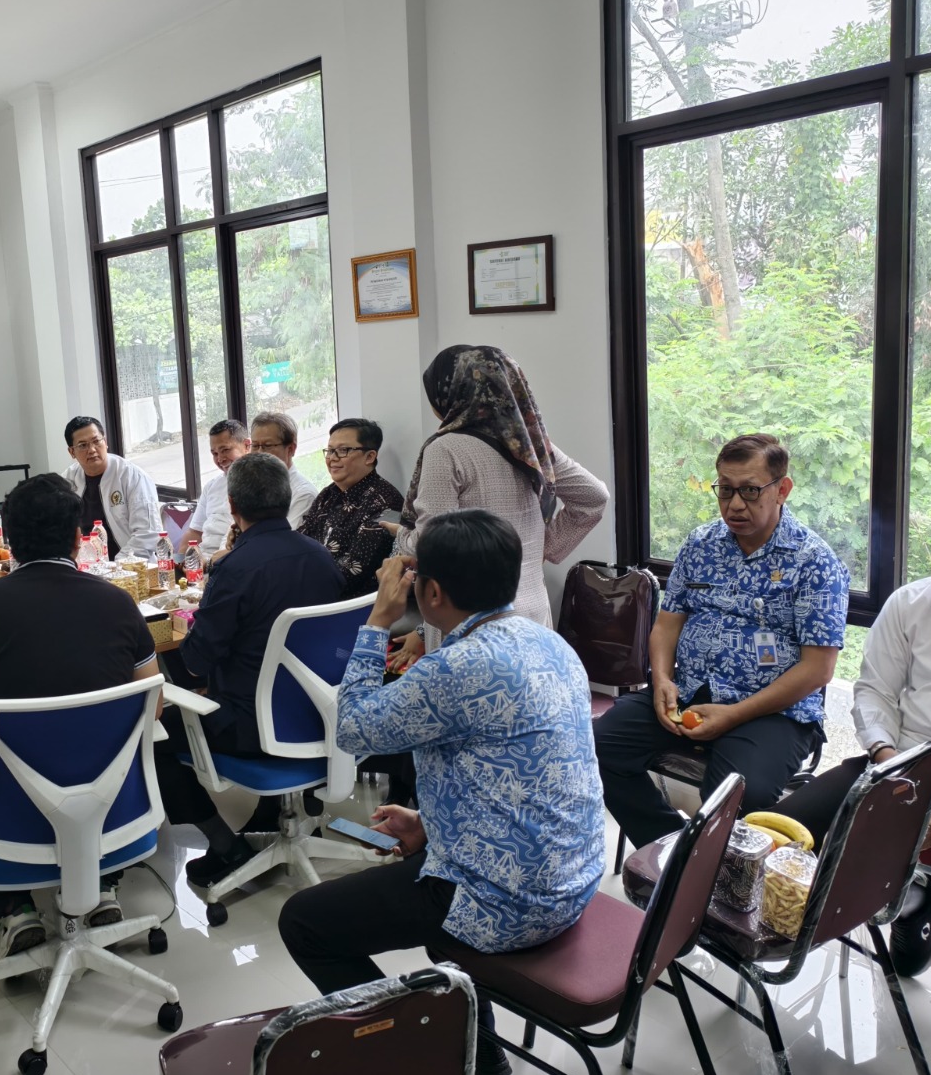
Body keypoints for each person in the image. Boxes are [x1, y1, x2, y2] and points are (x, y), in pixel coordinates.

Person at [277, 510, 605, 1075]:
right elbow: (520, 777)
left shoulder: (455, 667)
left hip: (507, 903)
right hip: (573, 877)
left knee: (305, 923)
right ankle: (481, 1052)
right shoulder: (547, 642)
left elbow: (351, 729)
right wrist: (432, 824)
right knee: (417, 898)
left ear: (430, 592)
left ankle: (429, 1046)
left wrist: (378, 620)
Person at [0, 474, 161, 956]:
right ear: (78, 538)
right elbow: (152, 707)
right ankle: (103, 888)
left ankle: (15, 910)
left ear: (8, 541)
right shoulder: (118, 602)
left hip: (12, 819)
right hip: (114, 806)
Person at [594, 433, 849, 850]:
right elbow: (667, 625)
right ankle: (671, 853)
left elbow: (818, 669)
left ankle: (706, 871)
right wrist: (662, 681)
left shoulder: (814, 562)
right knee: (595, 748)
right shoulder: (701, 544)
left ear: (782, 489)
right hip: (690, 691)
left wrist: (734, 715)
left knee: (738, 794)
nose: (735, 505)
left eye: (750, 490)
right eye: (725, 490)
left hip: (772, 711)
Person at [769, 487, 931, 977]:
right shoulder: (912, 603)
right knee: (772, 835)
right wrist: (890, 760)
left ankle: (920, 893)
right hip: (902, 759)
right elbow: (874, 692)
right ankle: (910, 897)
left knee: (906, 964)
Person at [153, 453, 345, 888]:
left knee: (153, 734)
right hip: (322, 717)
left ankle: (225, 846)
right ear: (286, 499)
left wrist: (201, 608)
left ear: (233, 506)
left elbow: (196, 662)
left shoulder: (235, 568)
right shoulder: (322, 558)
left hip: (253, 727)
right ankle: (271, 812)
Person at [385, 345, 609, 663]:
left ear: (450, 394)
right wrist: (543, 547)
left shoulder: (447, 449)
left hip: (469, 618)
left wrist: (402, 536)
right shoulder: (529, 445)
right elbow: (594, 497)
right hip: (531, 611)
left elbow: (431, 544)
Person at [296, 417, 405, 598]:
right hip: (309, 590)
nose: (332, 458)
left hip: (348, 604)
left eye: (343, 450)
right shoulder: (327, 494)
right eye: (330, 451)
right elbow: (300, 541)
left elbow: (353, 573)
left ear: (370, 457)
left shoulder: (386, 502)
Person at [61, 415, 163, 556]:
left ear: (105, 442)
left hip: (130, 563)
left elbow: (147, 534)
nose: (92, 449)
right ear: (72, 452)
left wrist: (117, 565)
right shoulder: (67, 480)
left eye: (96, 441)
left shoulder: (132, 476)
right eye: (83, 445)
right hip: (85, 563)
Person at [180, 418, 250, 559]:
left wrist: (211, 564)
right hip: (202, 561)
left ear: (246, 445)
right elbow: (194, 533)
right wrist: (179, 562)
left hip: (231, 561)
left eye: (225, 450)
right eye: (215, 454)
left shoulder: (260, 484)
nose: (220, 459)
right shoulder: (211, 486)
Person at [249, 410, 318, 528]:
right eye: (255, 446)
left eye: (267, 445)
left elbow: (287, 538)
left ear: (291, 449)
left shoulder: (303, 494)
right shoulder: (251, 488)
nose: (259, 453)